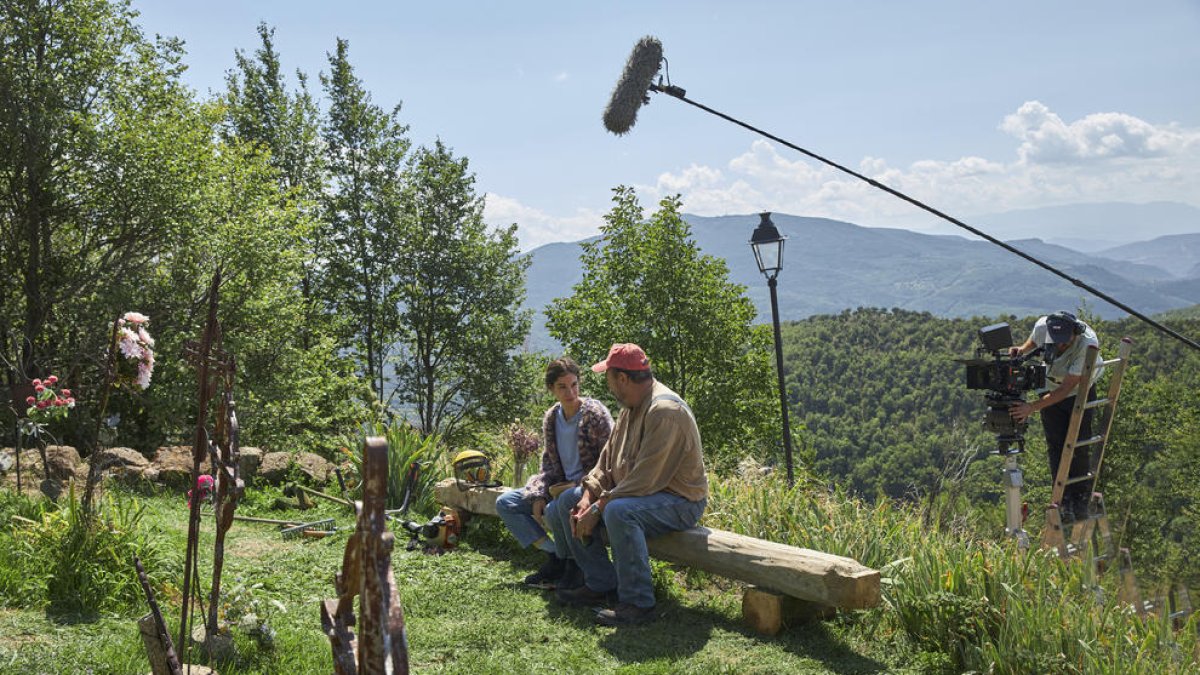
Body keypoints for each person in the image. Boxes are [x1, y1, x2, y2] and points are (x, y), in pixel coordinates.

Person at [547, 343, 708, 626]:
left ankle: (638, 603)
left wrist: (598, 507)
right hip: (637, 494)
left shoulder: (664, 410)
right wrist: (587, 495)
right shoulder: (630, 408)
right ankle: (601, 584)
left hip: (680, 501)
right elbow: (606, 461)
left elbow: (647, 479)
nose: (608, 386)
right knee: (566, 502)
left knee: (619, 511)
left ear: (622, 378)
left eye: (608, 378)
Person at [495, 357, 613, 590]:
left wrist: (580, 486)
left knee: (556, 507)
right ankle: (556, 556)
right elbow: (548, 464)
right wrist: (538, 493)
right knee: (506, 503)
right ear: (551, 389)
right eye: (562, 386)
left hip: (588, 488)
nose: (570, 392)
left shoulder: (594, 414)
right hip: (559, 487)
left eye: (574, 385)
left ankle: (574, 565)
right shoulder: (551, 417)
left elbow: (609, 461)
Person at [1009, 311, 1104, 521]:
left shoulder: (1088, 344)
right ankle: (1061, 497)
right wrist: (1020, 352)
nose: (1060, 346)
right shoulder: (1043, 326)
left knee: (1078, 442)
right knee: (1056, 443)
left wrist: (1030, 407)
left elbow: (1066, 388)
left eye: (1064, 343)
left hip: (1079, 389)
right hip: (1050, 383)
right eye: (1056, 342)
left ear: (1075, 334)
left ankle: (1079, 497)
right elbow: (1032, 342)